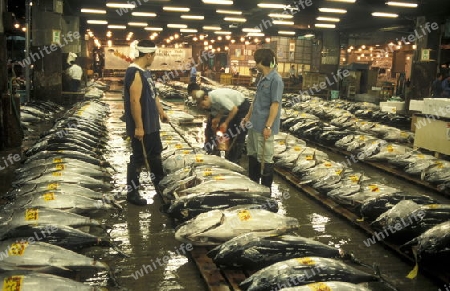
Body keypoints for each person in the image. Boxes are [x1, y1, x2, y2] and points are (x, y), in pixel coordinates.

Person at [123, 40, 169, 206]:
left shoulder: (146, 72)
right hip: (142, 126)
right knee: (139, 158)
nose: (154, 58)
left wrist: (161, 112)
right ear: (148, 55)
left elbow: (153, 95)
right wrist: (139, 127)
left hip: (152, 124)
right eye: (154, 55)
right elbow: (134, 101)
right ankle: (132, 193)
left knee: (155, 155)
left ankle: (160, 186)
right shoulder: (134, 73)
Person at [243, 48, 284, 188]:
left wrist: (268, 126)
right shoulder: (262, 78)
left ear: (261, 61)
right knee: (252, 154)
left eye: (256, 61)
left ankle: (266, 191)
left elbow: (275, 104)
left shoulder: (276, 79)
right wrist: (248, 116)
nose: (255, 64)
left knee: (265, 158)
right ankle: (254, 186)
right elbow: (256, 100)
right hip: (254, 124)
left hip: (264, 126)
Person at [194, 88, 250, 163]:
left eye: (203, 104)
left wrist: (226, 122)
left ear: (206, 97)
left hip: (242, 107)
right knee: (230, 133)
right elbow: (222, 108)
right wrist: (217, 118)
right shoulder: (212, 100)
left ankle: (235, 159)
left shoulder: (217, 97)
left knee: (238, 133)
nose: (204, 107)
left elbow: (234, 109)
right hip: (234, 108)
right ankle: (229, 155)